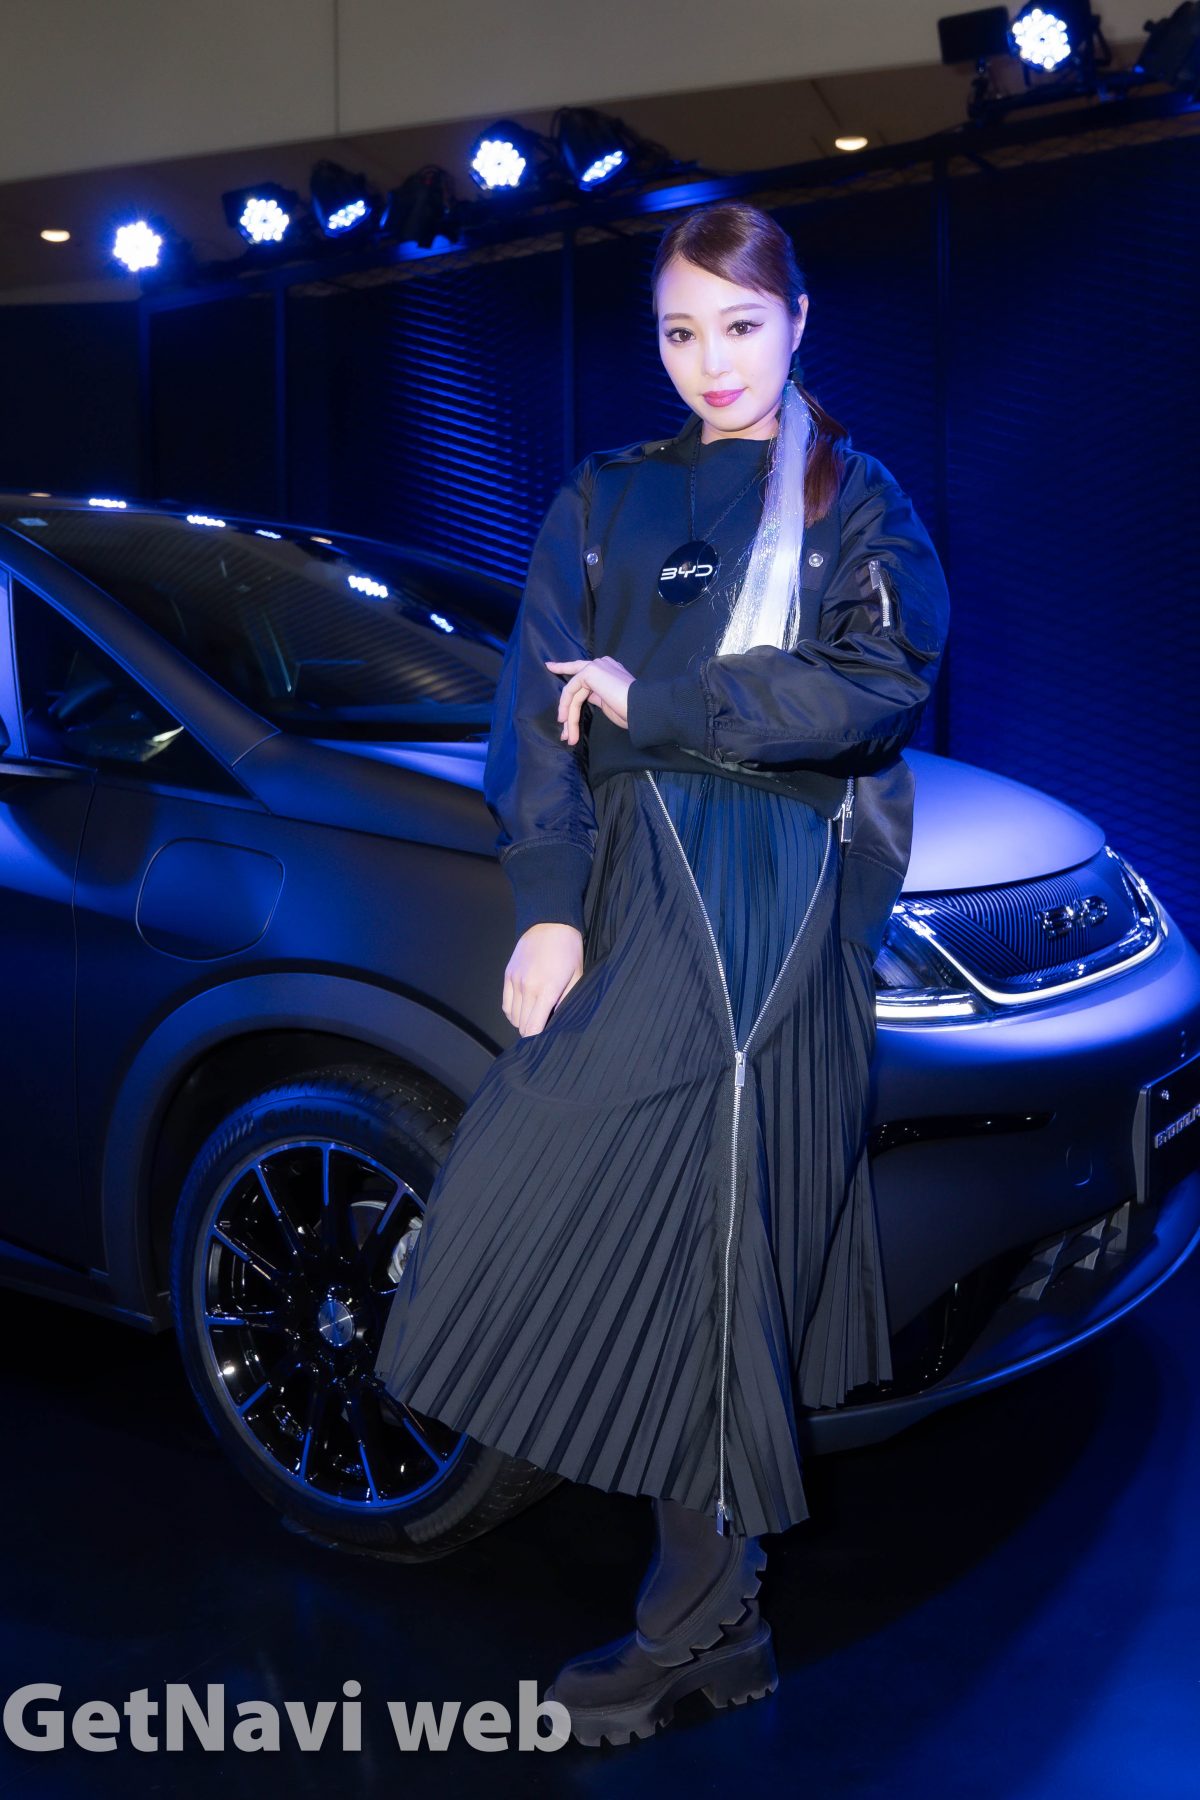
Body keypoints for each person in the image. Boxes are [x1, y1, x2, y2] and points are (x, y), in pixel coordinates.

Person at [374, 199, 951, 1748]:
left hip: (773, 892)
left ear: (798, 322)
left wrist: (667, 699)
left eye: (741, 325)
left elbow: (880, 685)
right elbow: (532, 721)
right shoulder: (602, 497)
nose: (713, 360)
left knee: (714, 1240)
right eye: (681, 331)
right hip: (636, 885)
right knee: (592, 1204)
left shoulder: (853, 499)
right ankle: (716, 1614)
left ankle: (699, 1622)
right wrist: (548, 905)